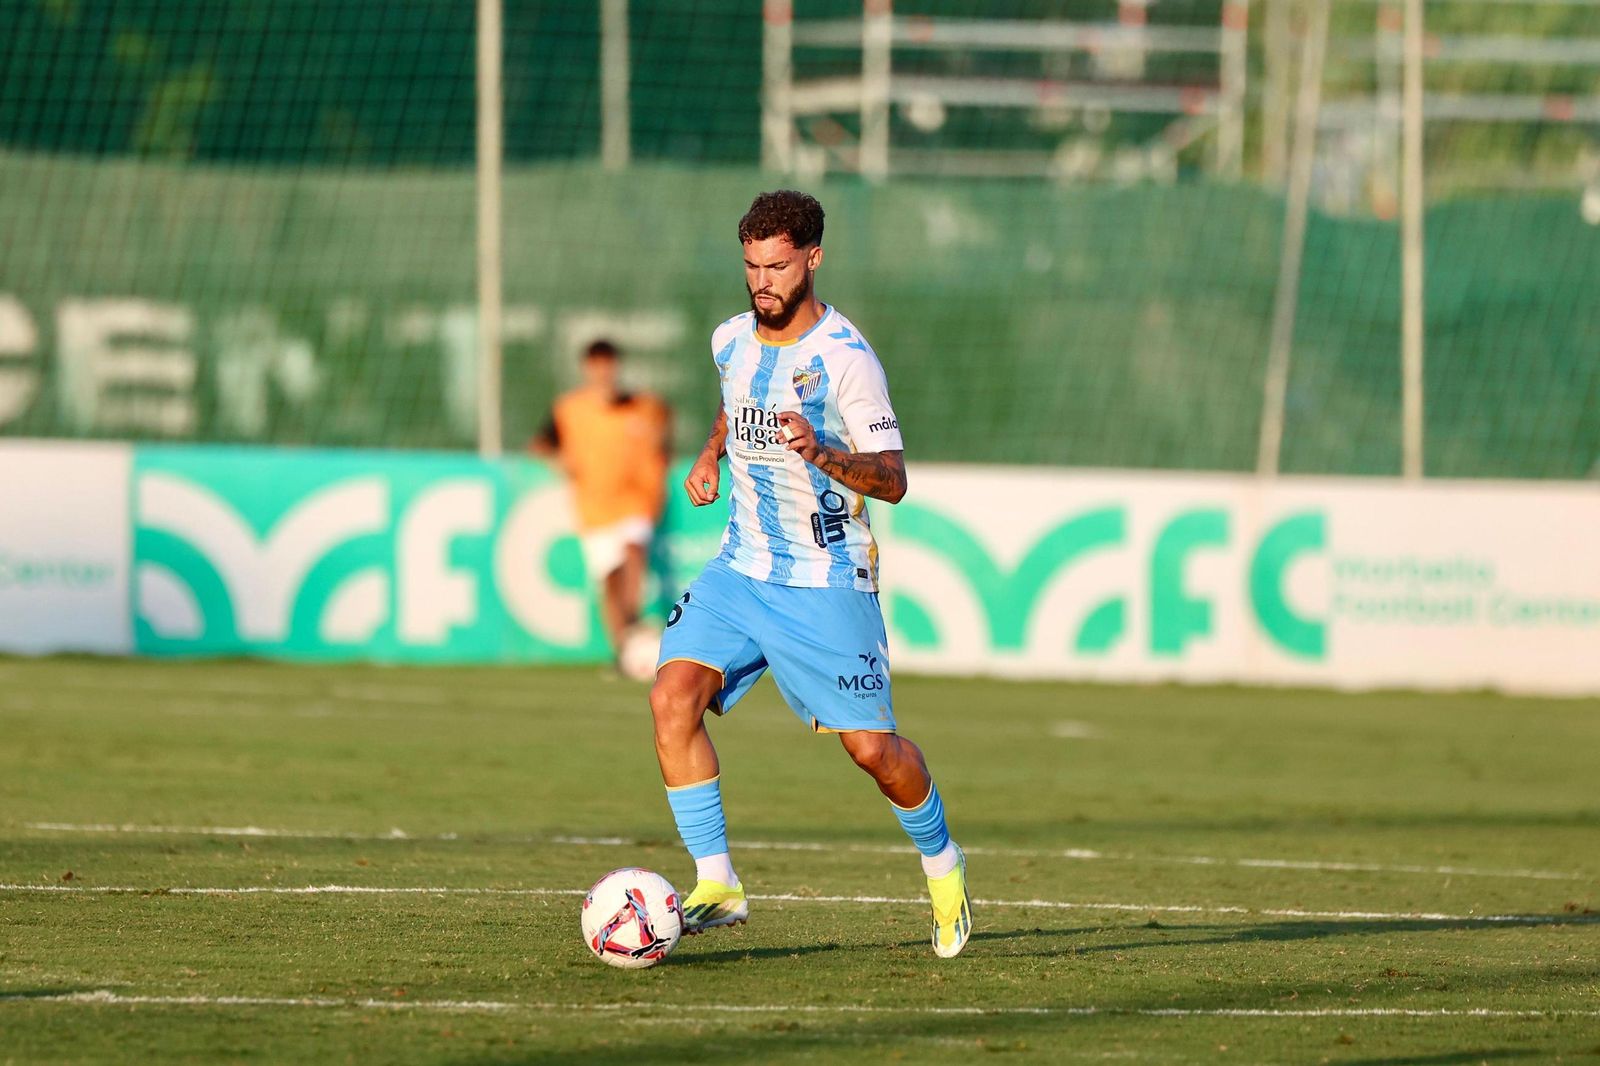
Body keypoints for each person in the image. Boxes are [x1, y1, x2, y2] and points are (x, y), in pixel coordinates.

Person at [649, 190, 972, 958]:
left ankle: (943, 863)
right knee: (671, 697)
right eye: (753, 266)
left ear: (813, 259)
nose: (763, 282)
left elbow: (893, 478)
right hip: (740, 567)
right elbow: (735, 405)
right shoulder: (729, 338)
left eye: (779, 266)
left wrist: (821, 451)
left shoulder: (847, 361)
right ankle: (719, 883)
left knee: (872, 751)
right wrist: (708, 454)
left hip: (826, 579)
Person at [532, 339, 671, 672]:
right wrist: (560, 461)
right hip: (594, 507)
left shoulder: (644, 404)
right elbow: (541, 444)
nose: (603, 371)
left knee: (634, 550)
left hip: (636, 500)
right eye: (597, 364)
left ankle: (636, 622)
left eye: (608, 363)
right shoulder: (569, 409)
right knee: (609, 579)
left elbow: (666, 426)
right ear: (587, 368)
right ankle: (624, 649)